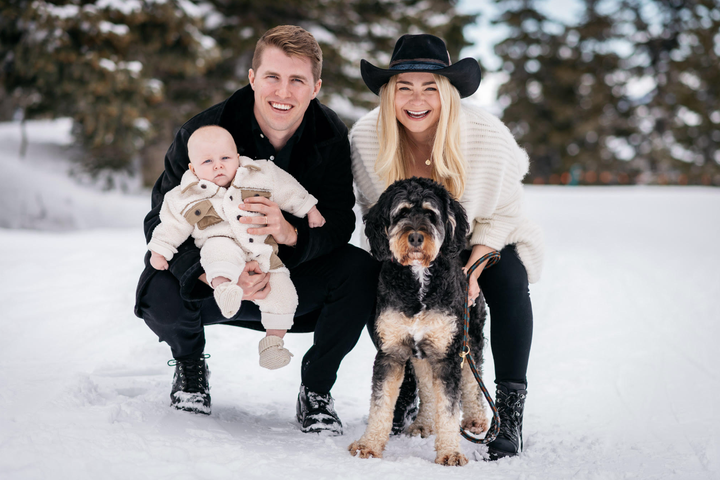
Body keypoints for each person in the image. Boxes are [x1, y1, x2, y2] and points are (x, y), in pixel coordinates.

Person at [135, 25, 379, 435]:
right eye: (273, 77)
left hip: (287, 277)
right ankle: (191, 366)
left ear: (315, 87)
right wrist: (207, 274)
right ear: (252, 79)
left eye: (297, 80)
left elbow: (339, 221)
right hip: (216, 273)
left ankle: (316, 390)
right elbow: (160, 217)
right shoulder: (204, 133)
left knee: (360, 272)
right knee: (156, 286)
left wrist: (290, 235)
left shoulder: (330, 135)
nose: (283, 92)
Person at [350, 34, 544, 459]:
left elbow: (507, 209)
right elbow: (373, 212)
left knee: (510, 282)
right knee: (372, 280)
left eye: (430, 86)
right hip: (409, 240)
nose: (416, 99)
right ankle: (405, 383)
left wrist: (473, 265)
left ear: (448, 92)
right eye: (404, 86)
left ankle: (508, 413)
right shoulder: (367, 136)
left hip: (483, 233)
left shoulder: (486, 136)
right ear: (389, 93)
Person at [147, 125, 326, 371]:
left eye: (225, 158)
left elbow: (289, 190)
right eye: (208, 161)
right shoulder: (182, 196)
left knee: (285, 295)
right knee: (217, 254)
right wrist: (160, 250)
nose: (218, 166)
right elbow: (171, 226)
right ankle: (224, 289)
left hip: (263, 252)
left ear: (238, 157)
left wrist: (310, 210)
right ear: (193, 168)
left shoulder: (260, 174)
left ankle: (273, 342)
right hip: (220, 243)